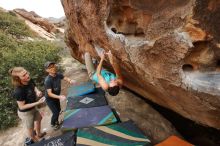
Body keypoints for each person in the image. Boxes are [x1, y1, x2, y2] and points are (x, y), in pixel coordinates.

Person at [9, 67, 46, 142]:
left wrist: (37, 91)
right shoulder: (19, 91)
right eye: (23, 75)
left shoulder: (29, 80)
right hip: (26, 113)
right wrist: (38, 103)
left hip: (33, 108)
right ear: (18, 79)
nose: (27, 75)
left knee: (39, 118)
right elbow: (22, 107)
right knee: (30, 129)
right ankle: (36, 141)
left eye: (26, 72)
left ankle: (38, 134)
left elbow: (34, 86)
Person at [44, 61, 75, 130]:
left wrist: (70, 80)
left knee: (59, 110)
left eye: (53, 66)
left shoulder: (58, 74)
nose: (53, 68)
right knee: (55, 112)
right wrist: (60, 97)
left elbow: (65, 78)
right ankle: (53, 124)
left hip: (56, 97)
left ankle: (56, 121)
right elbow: (49, 93)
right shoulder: (48, 80)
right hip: (50, 99)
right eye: (50, 67)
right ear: (47, 70)